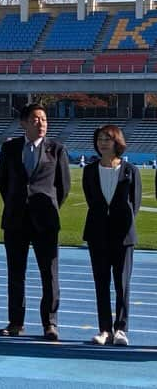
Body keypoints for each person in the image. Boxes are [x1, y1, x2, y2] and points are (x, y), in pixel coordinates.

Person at [0, 103, 70, 341]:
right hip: (16, 219)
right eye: (36, 119)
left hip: (46, 220)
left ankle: (50, 323)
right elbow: (3, 183)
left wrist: (46, 207)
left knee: (49, 274)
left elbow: (63, 187)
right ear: (24, 123)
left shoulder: (56, 149)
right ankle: (16, 322)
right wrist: (17, 203)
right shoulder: (10, 148)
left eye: (44, 120)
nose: (41, 124)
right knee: (16, 274)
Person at [82, 125, 140, 346]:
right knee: (101, 283)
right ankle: (105, 329)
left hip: (123, 235)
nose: (103, 142)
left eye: (107, 138)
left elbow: (134, 204)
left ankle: (121, 329)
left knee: (122, 284)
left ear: (117, 141)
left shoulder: (130, 170)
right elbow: (91, 200)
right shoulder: (89, 170)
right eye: (100, 139)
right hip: (98, 234)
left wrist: (120, 224)